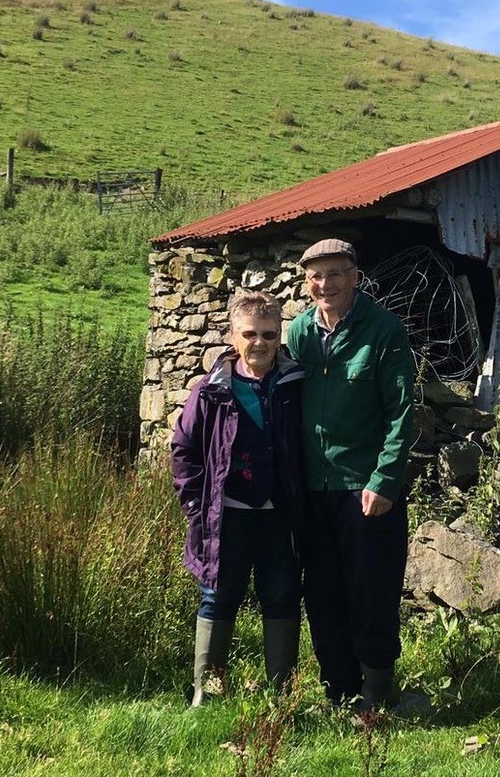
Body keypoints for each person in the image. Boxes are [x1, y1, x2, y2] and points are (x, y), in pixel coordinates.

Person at [284, 238, 415, 713]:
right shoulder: (297, 333)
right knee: (321, 591)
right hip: (313, 490)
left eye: (336, 273)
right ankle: (338, 688)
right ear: (306, 282)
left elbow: (402, 412)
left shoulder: (383, 330)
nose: (326, 284)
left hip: (365, 487)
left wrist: (385, 479)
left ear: (355, 276)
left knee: (371, 587)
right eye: (316, 276)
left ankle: (378, 690)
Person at [171, 290, 305, 706]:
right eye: (250, 334)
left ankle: (280, 695)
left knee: (282, 594)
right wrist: (196, 505)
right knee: (218, 595)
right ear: (234, 336)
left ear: (279, 336)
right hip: (225, 516)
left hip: (279, 515)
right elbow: (183, 449)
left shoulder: (296, 385)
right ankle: (206, 693)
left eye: (268, 334)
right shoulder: (212, 391)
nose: (259, 343)